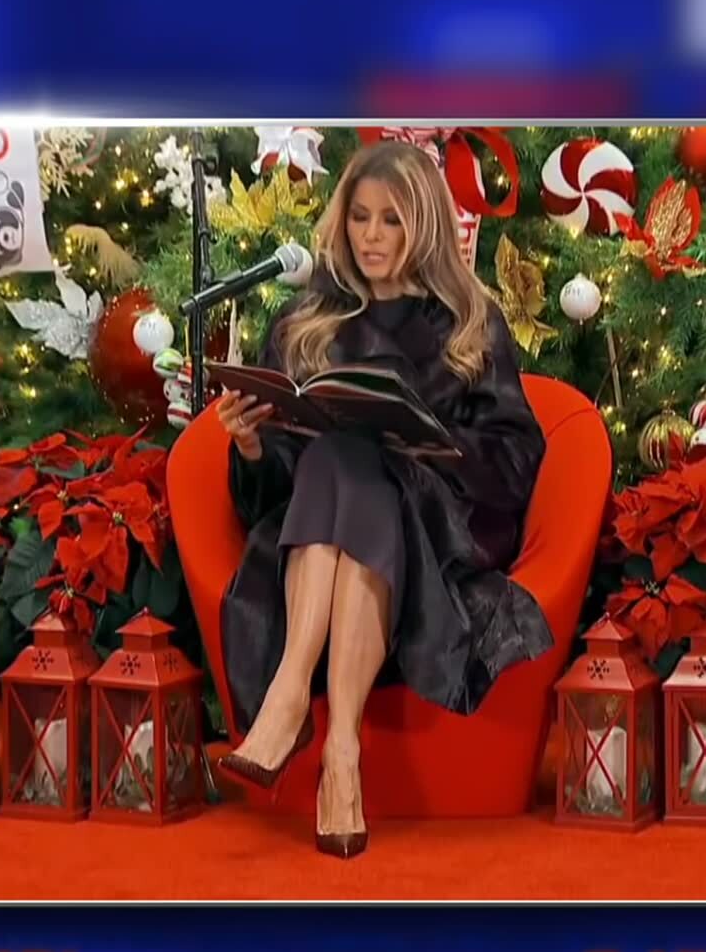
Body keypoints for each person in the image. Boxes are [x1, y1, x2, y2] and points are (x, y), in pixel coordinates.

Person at [212, 141, 552, 859]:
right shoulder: (306, 321)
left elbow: (518, 456)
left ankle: (288, 698)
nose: (371, 236)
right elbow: (276, 484)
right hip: (315, 532)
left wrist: (429, 444)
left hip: (432, 536)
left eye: (391, 220)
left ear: (423, 226)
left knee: (359, 456)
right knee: (341, 455)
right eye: (360, 217)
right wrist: (250, 447)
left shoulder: (469, 322)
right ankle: (342, 756)